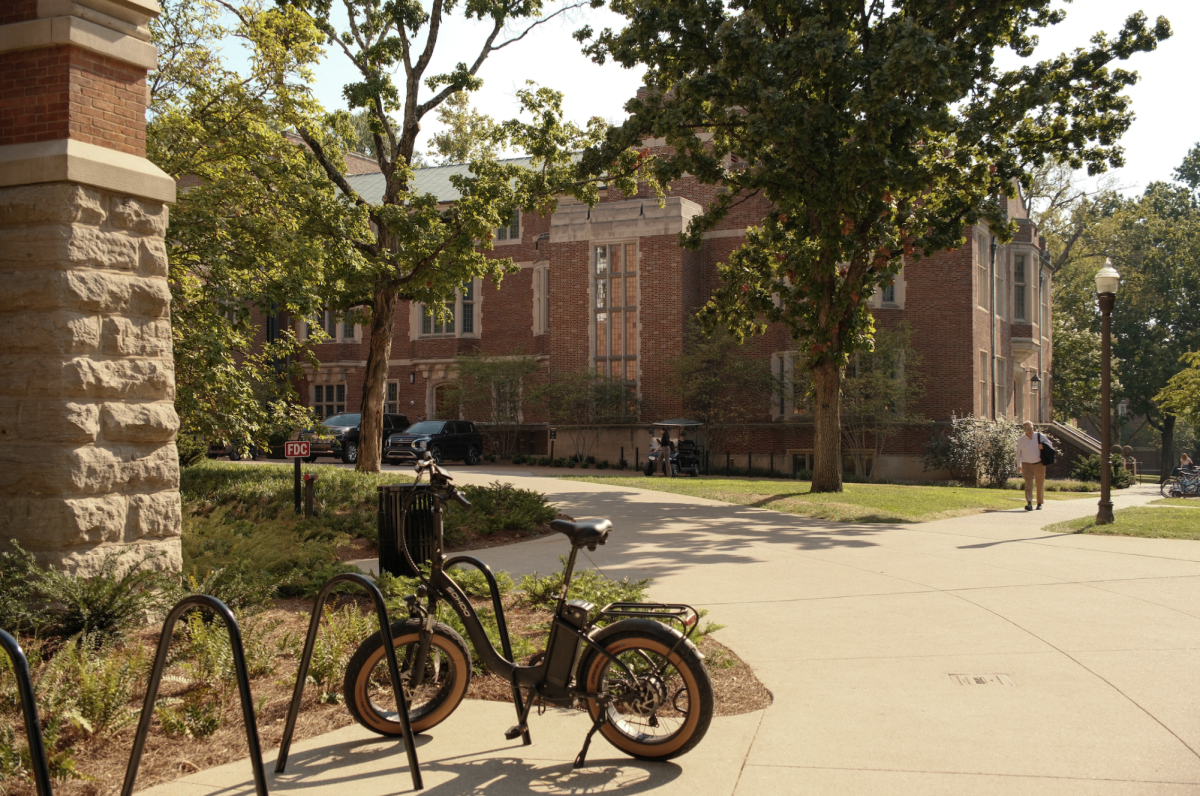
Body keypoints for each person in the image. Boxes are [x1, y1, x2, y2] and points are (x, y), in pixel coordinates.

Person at [1016, 421, 1048, 511]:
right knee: (1028, 484)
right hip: (1026, 464)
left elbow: (1050, 444)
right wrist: (1019, 465)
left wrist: (1043, 446)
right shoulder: (1021, 439)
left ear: (1033, 427)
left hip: (1039, 463)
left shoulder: (1040, 436)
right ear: (1024, 430)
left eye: (1030, 428)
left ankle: (1039, 503)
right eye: (1026, 429)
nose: (1029, 431)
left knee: (1039, 484)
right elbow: (1018, 453)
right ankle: (1029, 503)